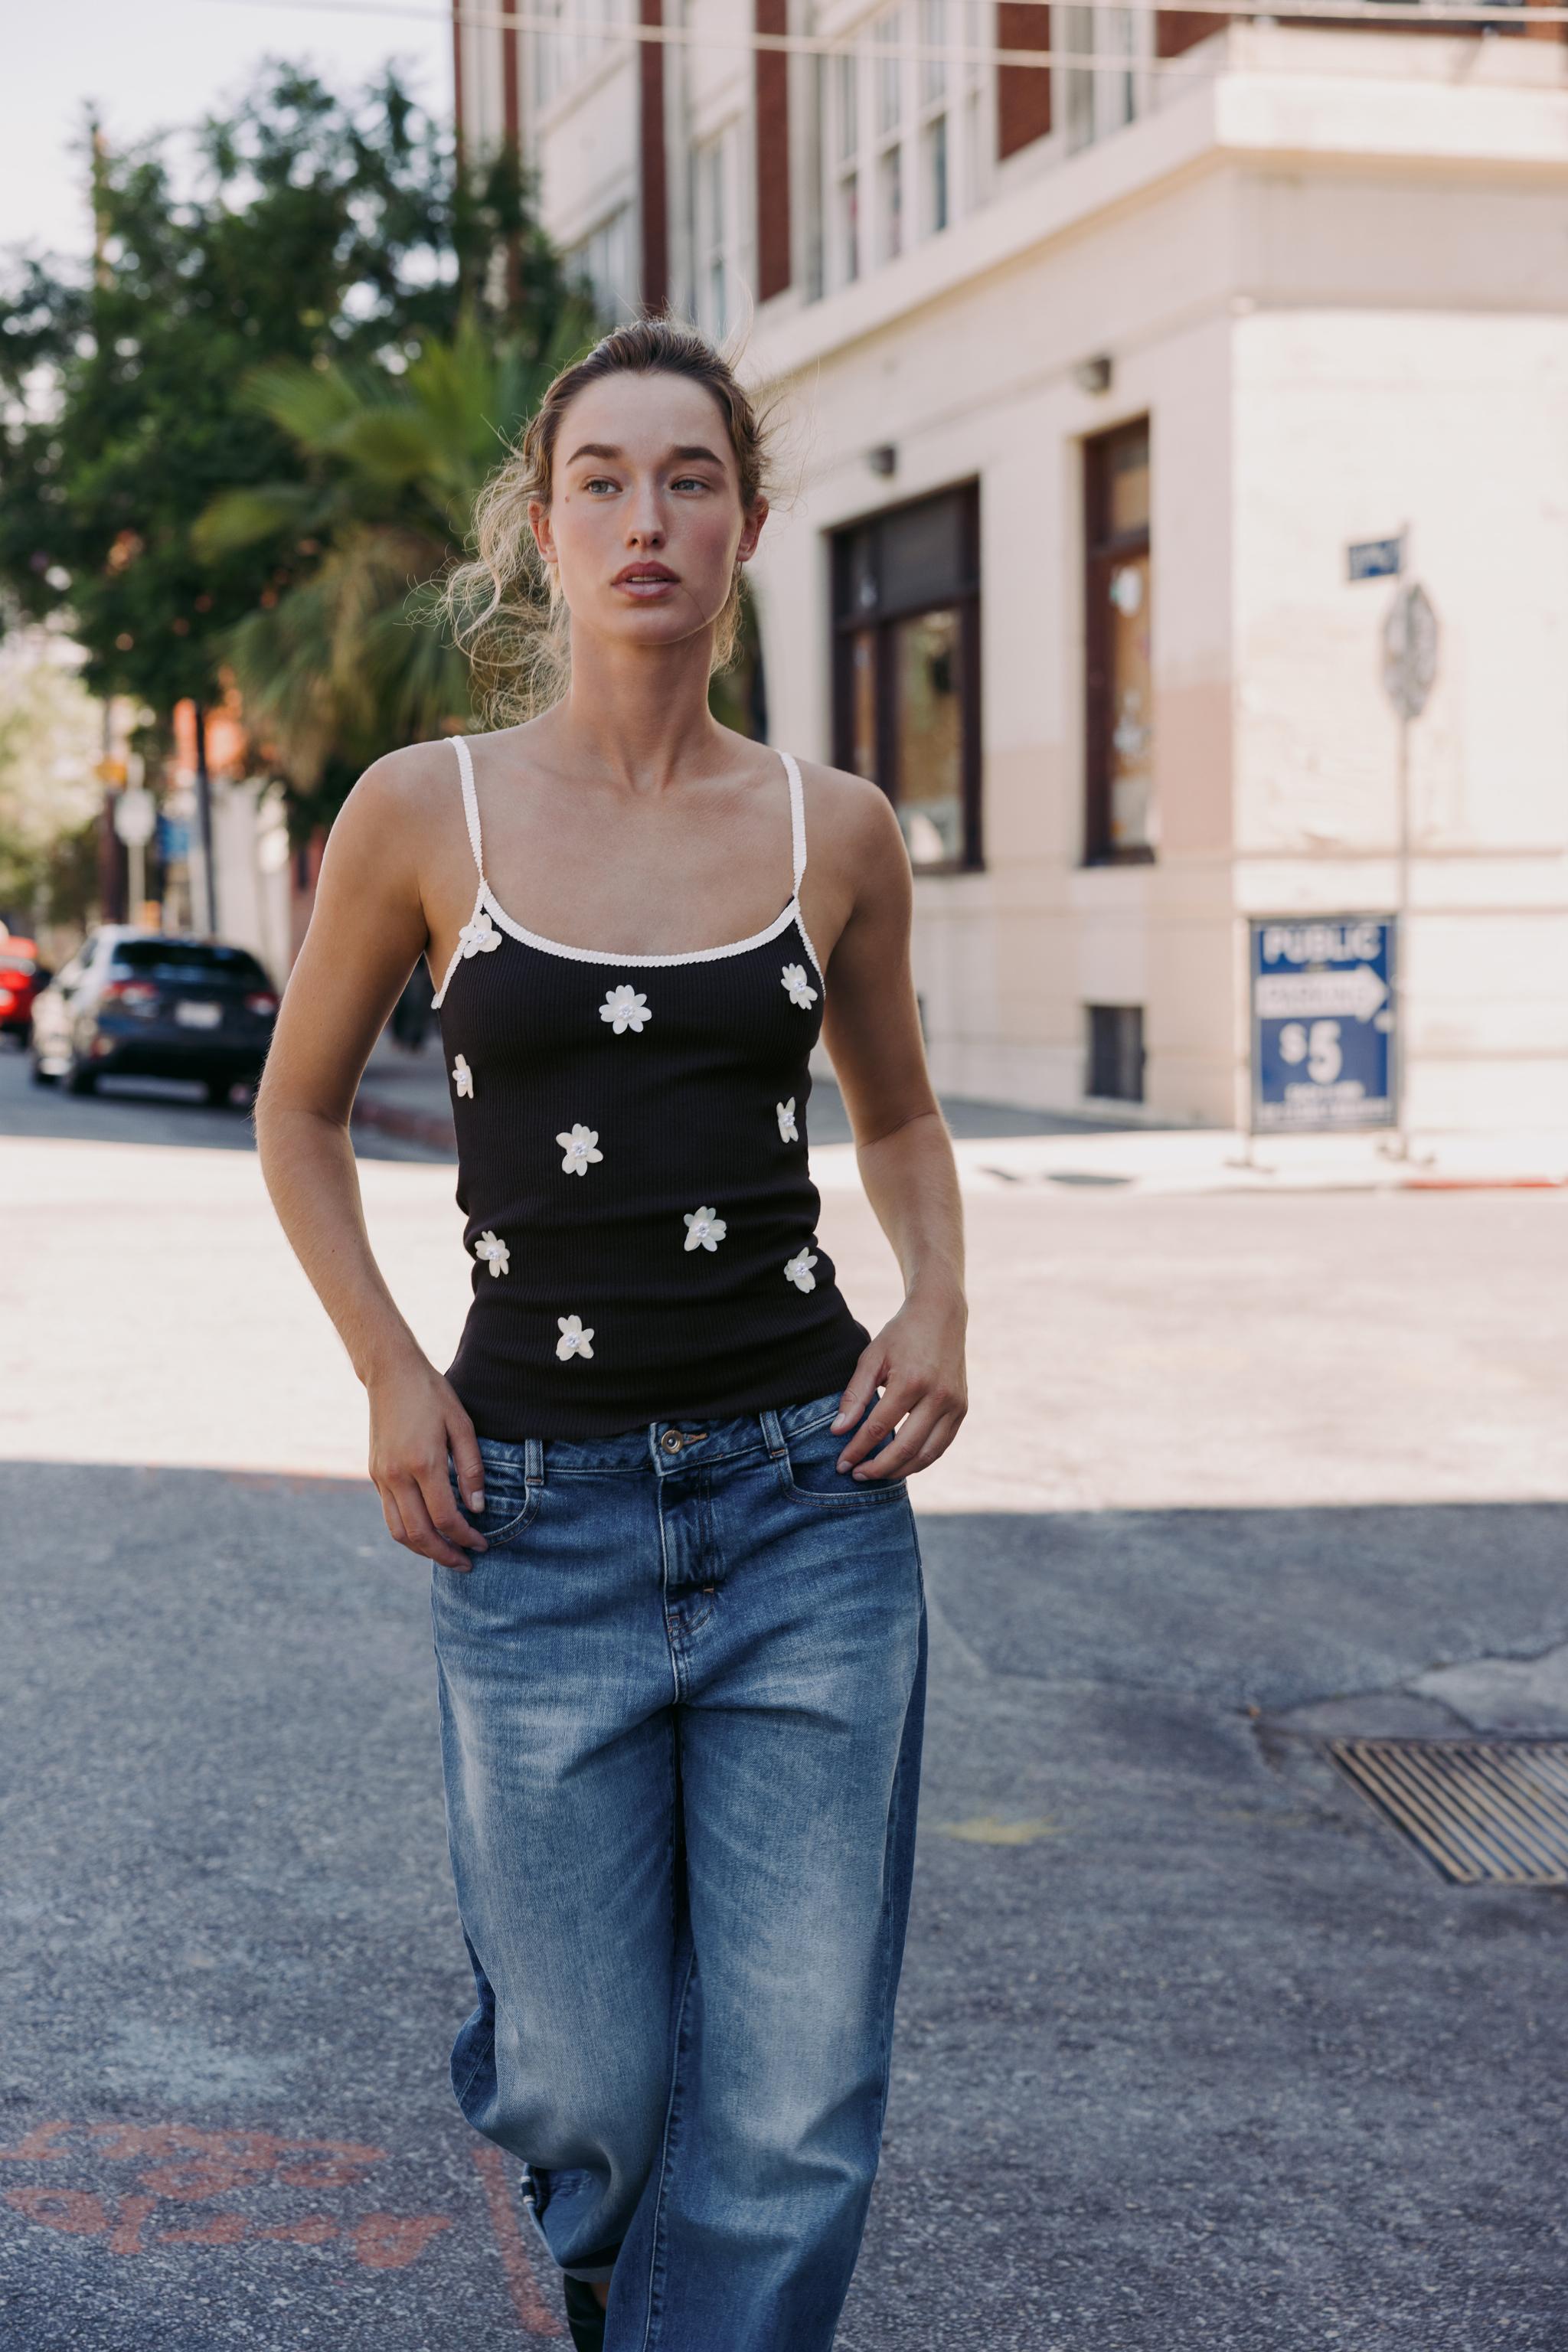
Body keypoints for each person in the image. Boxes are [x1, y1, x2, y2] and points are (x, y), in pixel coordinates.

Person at [253, 318, 968, 2352]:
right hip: (533, 1518)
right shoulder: (424, 813)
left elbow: (899, 1115)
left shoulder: (834, 829)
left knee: (799, 2097)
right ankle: (640, 2282)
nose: (646, 517)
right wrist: (390, 1367)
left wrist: (940, 1298)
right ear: (541, 528)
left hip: (806, 1509)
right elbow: (295, 1114)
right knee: (588, 2085)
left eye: (689, 478)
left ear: (745, 521)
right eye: (603, 481)